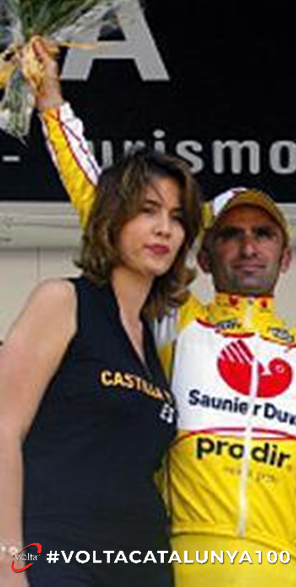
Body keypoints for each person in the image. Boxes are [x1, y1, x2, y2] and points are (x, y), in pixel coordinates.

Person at [30, 40, 296, 587]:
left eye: (263, 234)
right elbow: (101, 207)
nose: (248, 247)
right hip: (183, 559)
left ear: (286, 256)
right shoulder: (178, 319)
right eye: (230, 234)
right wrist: (52, 104)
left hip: (275, 564)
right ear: (203, 255)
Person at [0, 148, 204, 587]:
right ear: (113, 218)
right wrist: (7, 566)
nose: (164, 229)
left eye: (177, 217)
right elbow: (4, 431)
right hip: (58, 555)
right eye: (148, 210)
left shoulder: (153, 337)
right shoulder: (63, 301)